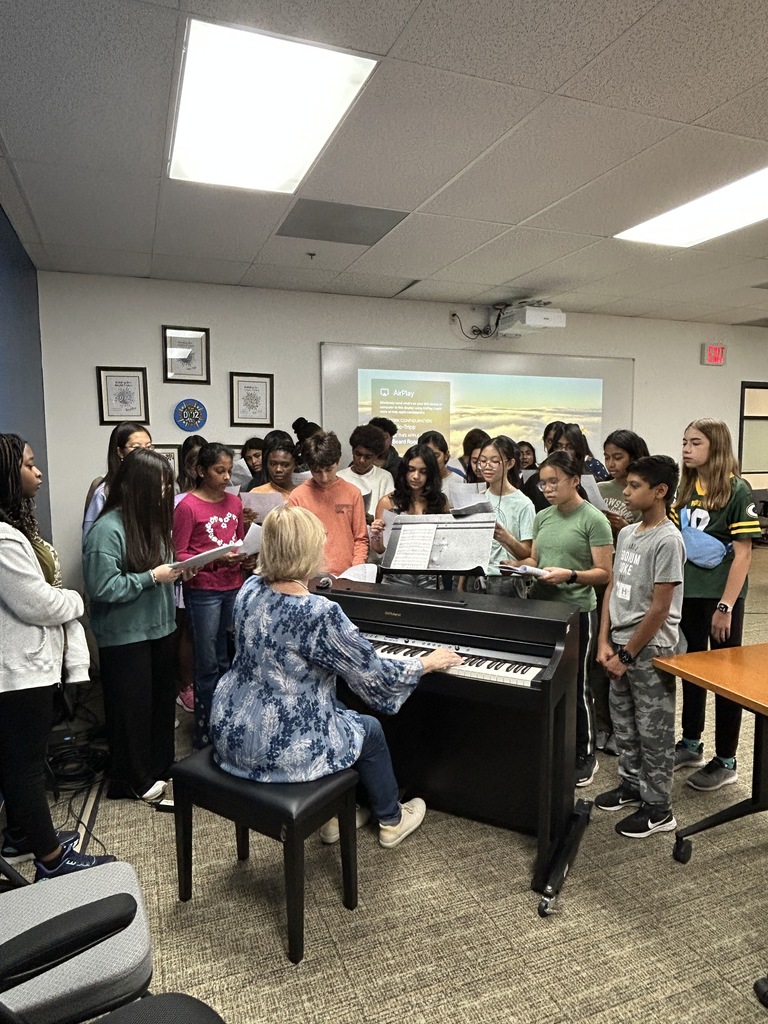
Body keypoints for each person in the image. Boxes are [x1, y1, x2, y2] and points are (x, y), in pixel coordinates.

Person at [209, 505, 463, 848]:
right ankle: (391, 818)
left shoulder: (249, 588)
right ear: (310, 550)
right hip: (282, 746)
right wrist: (426, 663)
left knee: (339, 710)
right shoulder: (318, 612)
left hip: (232, 727)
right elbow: (376, 678)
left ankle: (337, 812)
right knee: (368, 729)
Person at [0, 434, 116, 878]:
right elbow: (40, 604)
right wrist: (75, 600)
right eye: (29, 464)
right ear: (8, 475)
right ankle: (50, 861)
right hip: (19, 673)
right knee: (26, 768)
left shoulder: (14, 532)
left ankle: (20, 836)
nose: (39, 471)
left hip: (23, 667)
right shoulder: (5, 538)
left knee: (16, 763)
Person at [83, 448, 184, 802]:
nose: (163, 493)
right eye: (158, 486)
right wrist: (150, 578)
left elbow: (161, 572)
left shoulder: (151, 524)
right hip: (125, 637)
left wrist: (182, 571)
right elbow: (102, 587)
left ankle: (159, 766)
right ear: (136, 486)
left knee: (159, 705)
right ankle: (130, 781)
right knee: (131, 712)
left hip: (160, 629)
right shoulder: (107, 529)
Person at [595, 456, 685, 838]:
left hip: (647, 651)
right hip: (618, 644)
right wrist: (604, 640)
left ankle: (660, 807)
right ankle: (633, 785)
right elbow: (614, 587)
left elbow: (660, 608)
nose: (626, 492)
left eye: (634, 486)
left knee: (654, 730)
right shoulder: (629, 533)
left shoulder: (667, 539)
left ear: (659, 491)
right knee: (625, 725)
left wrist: (628, 654)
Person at [670, 418, 761, 790]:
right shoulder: (686, 487)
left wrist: (725, 606)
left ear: (716, 447)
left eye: (695, 442)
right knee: (692, 671)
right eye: (684, 441)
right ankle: (691, 742)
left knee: (726, 679)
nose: (686, 449)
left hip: (720, 598)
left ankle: (726, 759)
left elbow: (743, 555)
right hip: (688, 594)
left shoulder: (738, 490)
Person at [515, 450, 613, 786]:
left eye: (553, 481)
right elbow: (536, 558)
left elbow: (604, 573)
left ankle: (585, 754)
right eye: (542, 482)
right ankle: (555, 744)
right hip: (542, 606)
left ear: (575, 480)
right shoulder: (543, 517)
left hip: (576, 610)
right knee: (546, 681)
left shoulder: (593, 519)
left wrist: (570, 574)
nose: (546, 488)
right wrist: (522, 566)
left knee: (577, 684)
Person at [173, 443, 246, 749]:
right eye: (220, 471)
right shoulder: (188, 506)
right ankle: (204, 732)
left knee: (228, 658)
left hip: (234, 585)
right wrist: (216, 560)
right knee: (207, 663)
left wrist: (245, 557)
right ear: (201, 471)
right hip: (203, 591)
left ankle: (227, 726)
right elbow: (180, 554)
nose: (227, 477)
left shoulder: (234, 503)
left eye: (229, 470)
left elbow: (239, 540)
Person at [287, 432, 368, 575]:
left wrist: (356, 572)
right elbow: (292, 543)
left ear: (338, 462)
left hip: (347, 575)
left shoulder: (352, 493)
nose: (324, 478)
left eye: (329, 469)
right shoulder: (298, 496)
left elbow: (360, 539)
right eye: (317, 471)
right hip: (309, 575)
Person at [371, 444, 449, 587]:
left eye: (423, 472)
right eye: (411, 470)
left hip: (430, 577)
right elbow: (379, 548)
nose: (415, 476)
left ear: (431, 474)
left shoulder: (440, 502)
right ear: (404, 471)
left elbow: (446, 547)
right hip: (395, 576)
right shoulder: (388, 502)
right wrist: (376, 533)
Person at [471, 436, 535, 598]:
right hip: (477, 578)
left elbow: (529, 554)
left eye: (494, 461)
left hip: (507, 580)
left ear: (510, 463)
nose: (487, 466)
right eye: (483, 461)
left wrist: (506, 538)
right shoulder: (478, 499)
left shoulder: (523, 504)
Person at [82, 421, 153, 539]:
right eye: (136, 447)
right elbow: (90, 535)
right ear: (120, 452)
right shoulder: (105, 489)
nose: (144, 453)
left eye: (149, 447)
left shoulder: (157, 483)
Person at [598, 430, 651, 537]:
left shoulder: (645, 493)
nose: (610, 464)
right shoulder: (600, 489)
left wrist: (624, 527)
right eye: (607, 457)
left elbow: (649, 537)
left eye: (618, 458)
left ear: (633, 458)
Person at [337, 424, 395, 518]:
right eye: (358, 454)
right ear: (352, 451)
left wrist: (372, 520)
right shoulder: (339, 477)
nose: (361, 460)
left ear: (376, 456)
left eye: (368, 457)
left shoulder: (384, 478)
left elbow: (389, 514)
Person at [418, 429, 464, 507]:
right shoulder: (416, 479)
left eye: (436, 456)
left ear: (446, 455)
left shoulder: (458, 480)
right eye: (427, 456)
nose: (431, 460)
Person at [250, 436, 300, 501]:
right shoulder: (256, 494)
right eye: (273, 464)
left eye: (285, 465)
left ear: (295, 464)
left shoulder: (303, 495)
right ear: (266, 464)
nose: (278, 469)